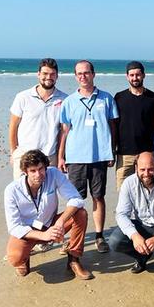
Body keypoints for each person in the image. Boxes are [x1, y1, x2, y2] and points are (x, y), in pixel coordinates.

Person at [58, 60, 119, 254]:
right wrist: (61, 157)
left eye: (86, 73)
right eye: (79, 74)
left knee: (98, 197)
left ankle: (100, 236)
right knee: (75, 200)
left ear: (93, 74)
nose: (83, 76)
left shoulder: (107, 99)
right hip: (76, 157)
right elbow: (65, 132)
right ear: (75, 76)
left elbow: (113, 127)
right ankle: (74, 238)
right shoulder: (69, 102)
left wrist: (112, 151)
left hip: (100, 156)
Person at [3, 149, 92, 280]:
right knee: (15, 259)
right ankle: (25, 257)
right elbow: (14, 227)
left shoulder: (54, 174)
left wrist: (60, 222)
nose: (38, 174)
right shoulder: (12, 190)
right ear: (25, 172)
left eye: (41, 169)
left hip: (52, 224)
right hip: (28, 231)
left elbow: (76, 199)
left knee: (80, 213)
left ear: (46, 167)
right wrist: (44, 235)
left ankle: (74, 259)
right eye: (33, 171)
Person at [8, 58, 67, 180]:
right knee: (22, 195)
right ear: (38, 74)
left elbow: (63, 131)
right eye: (45, 73)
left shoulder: (64, 99)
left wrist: (61, 156)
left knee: (48, 196)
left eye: (52, 74)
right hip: (24, 155)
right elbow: (13, 126)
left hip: (50, 156)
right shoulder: (23, 97)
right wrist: (14, 152)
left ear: (57, 76)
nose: (48, 77)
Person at [113, 61, 154, 192]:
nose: (135, 78)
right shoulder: (119, 97)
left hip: (146, 153)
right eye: (132, 75)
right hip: (124, 154)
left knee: (146, 190)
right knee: (123, 192)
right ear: (127, 76)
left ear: (143, 75)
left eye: (138, 75)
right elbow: (115, 125)